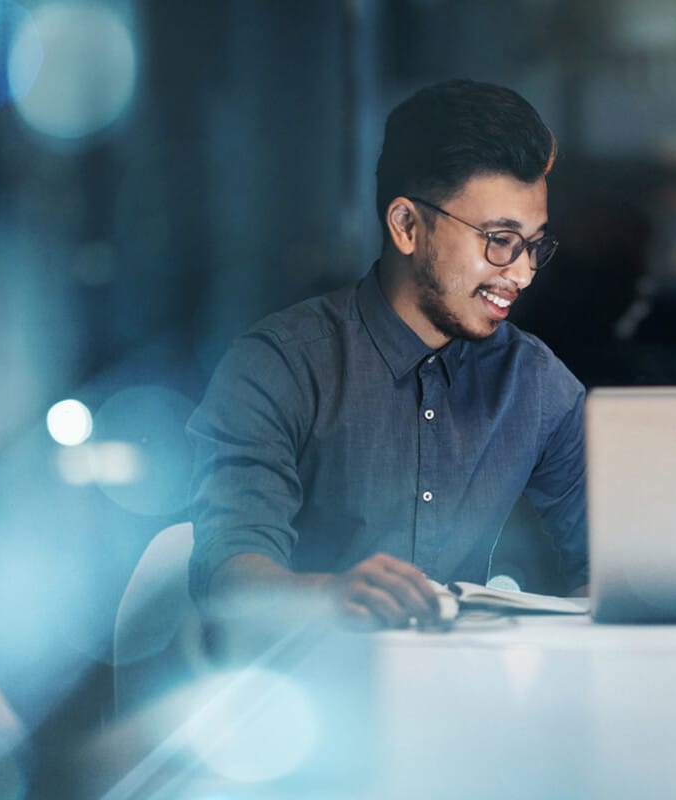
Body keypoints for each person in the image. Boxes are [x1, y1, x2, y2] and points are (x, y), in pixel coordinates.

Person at [187, 80, 588, 631]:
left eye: (535, 244)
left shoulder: (537, 385)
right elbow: (227, 572)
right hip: (305, 697)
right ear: (406, 226)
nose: (521, 273)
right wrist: (333, 598)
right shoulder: (280, 366)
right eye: (499, 239)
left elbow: (610, 568)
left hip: (466, 694)